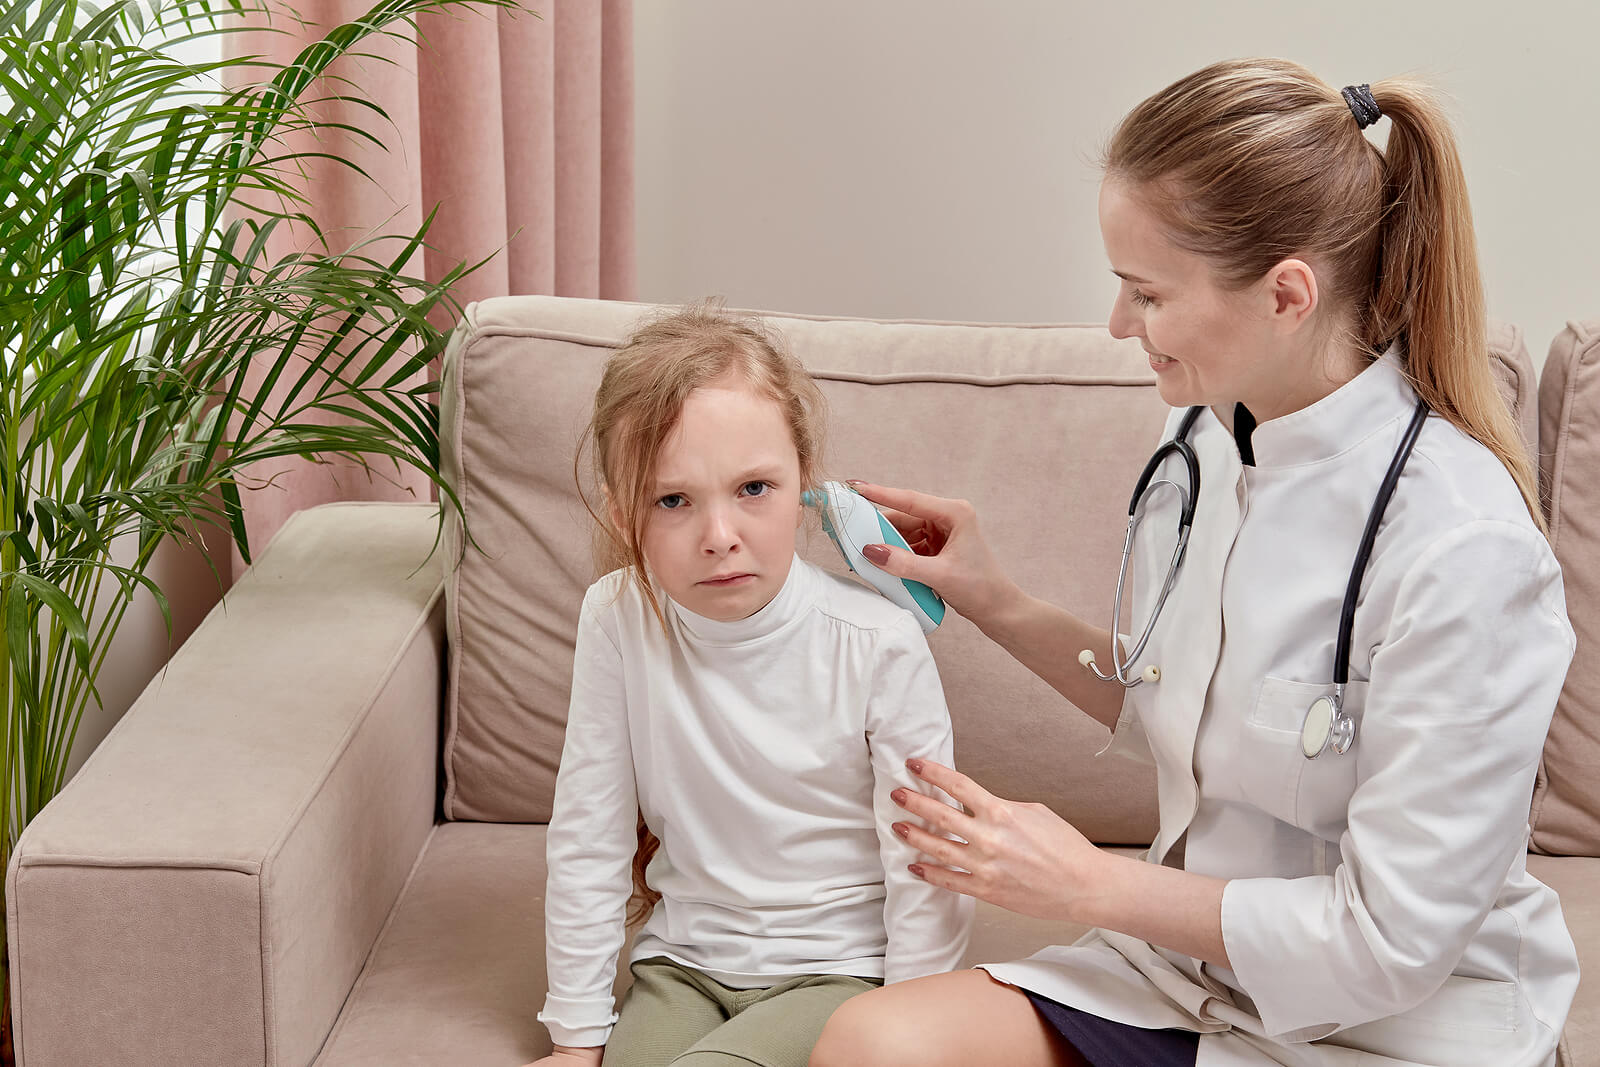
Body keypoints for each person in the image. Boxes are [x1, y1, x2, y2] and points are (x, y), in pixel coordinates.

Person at [808, 58, 1578, 1067]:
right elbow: (1171, 699)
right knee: (872, 1045)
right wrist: (994, 599)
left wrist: (1086, 883)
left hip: (1393, 1027)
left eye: (1145, 293)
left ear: (1286, 295)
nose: (1120, 326)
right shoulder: (1210, 438)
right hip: (1188, 977)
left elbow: (1387, 942)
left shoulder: (1462, 549)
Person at [524, 306, 974, 1067]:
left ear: (805, 482)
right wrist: (576, 1038)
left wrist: (908, 1026)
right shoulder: (617, 618)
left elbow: (927, 861)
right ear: (623, 513)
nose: (719, 534)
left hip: (840, 974)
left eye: (753, 488)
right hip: (682, 969)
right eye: (674, 500)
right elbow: (589, 834)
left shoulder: (877, 641)